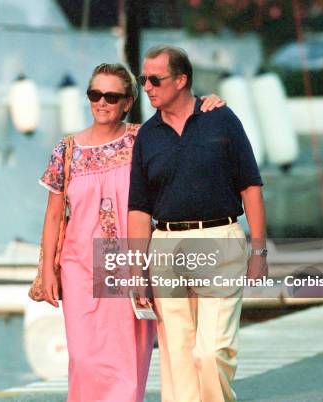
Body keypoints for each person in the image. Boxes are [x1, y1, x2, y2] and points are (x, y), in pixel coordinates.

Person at [39, 62, 225, 402]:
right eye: (95, 94)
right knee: (83, 360)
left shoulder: (144, 138)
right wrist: (45, 272)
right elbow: (53, 217)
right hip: (79, 268)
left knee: (126, 366)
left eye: (112, 96)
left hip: (129, 264)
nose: (103, 102)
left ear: (128, 102)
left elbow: (186, 123)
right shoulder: (66, 151)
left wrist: (208, 105)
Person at [127, 45, 268, 402]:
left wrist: (259, 250)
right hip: (166, 245)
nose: (147, 86)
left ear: (181, 79)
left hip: (220, 237)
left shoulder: (220, 118)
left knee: (211, 352)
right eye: (144, 79)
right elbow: (140, 209)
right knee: (178, 352)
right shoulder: (147, 135)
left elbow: (250, 186)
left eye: (155, 79)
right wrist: (136, 270)